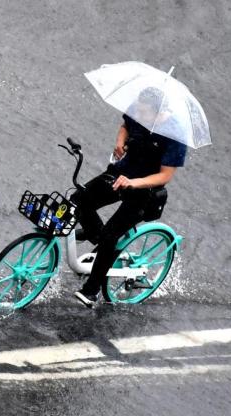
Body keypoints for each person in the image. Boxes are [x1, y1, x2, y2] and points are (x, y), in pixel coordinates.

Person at [70, 86, 187, 308]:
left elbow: (165, 176)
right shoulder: (138, 111)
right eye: (138, 110)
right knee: (79, 200)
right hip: (120, 173)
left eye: (144, 113)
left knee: (110, 235)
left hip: (145, 190)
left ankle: (91, 291)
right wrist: (120, 142)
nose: (138, 115)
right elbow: (125, 126)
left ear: (158, 112)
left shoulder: (174, 135)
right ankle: (98, 238)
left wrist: (133, 183)